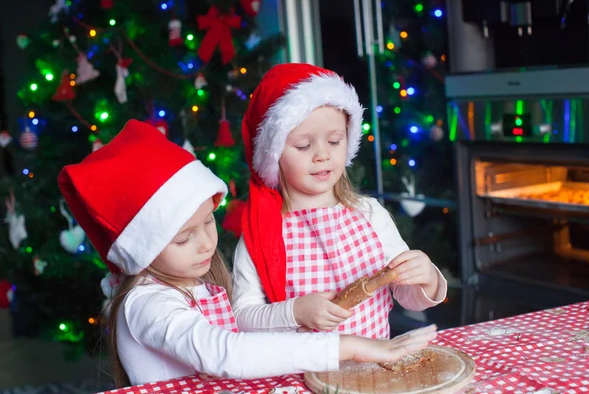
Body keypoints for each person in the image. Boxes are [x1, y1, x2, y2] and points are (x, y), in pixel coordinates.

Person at [57, 119, 438, 387]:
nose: (208, 243)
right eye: (183, 238)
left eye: (208, 221)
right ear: (143, 249)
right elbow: (226, 353)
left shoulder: (197, 288)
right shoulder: (146, 305)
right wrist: (350, 346)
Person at [233, 63, 448, 339]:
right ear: (273, 154)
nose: (322, 155)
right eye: (303, 145)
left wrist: (426, 278)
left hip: (371, 371)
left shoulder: (369, 215)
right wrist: (294, 311)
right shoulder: (261, 234)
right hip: (298, 375)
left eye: (334, 141)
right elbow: (241, 317)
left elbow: (407, 297)